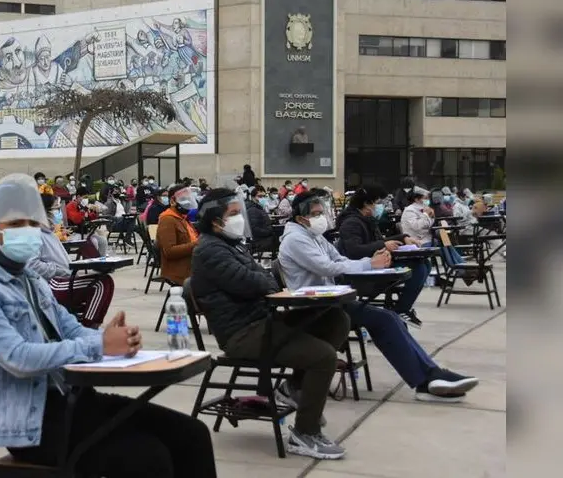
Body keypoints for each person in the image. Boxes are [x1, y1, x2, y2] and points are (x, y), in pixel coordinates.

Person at [0, 174, 217, 478]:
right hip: (28, 421)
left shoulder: (32, 280)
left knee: (191, 434)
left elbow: (69, 327)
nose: (28, 233)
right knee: (148, 458)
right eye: (16, 225)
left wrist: (109, 338)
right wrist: (99, 345)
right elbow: (18, 358)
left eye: (34, 225)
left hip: (72, 401)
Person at [191, 189, 349, 459]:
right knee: (323, 357)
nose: (239, 218)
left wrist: (262, 279)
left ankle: (294, 388)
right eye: (233, 214)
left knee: (335, 319)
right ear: (215, 221)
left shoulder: (231, 245)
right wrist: (262, 279)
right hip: (242, 334)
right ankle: (305, 433)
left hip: (262, 320)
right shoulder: (209, 250)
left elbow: (269, 280)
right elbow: (254, 282)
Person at [278, 191, 479, 403]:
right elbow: (328, 267)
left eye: (321, 212)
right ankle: (426, 379)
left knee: (389, 317)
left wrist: (370, 260)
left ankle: (429, 376)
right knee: (385, 319)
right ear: (301, 218)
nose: (321, 218)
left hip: (333, 299)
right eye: (316, 214)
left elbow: (340, 258)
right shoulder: (295, 240)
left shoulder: (314, 236)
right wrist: (369, 264)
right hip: (315, 307)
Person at [335, 184, 428, 328]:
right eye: (377, 203)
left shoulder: (367, 220)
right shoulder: (351, 223)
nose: (379, 206)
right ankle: (401, 310)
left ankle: (403, 309)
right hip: (361, 273)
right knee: (417, 267)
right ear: (366, 204)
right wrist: (384, 246)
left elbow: (379, 241)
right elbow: (354, 251)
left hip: (376, 264)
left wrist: (403, 238)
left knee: (423, 263)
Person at [31, 194, 115, 328]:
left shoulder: (48, 232)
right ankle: (88, 327)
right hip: (51, 283)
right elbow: (32, 266)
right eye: (55, 208)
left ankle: (89, 324)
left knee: (105, 279)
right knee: (101, 284)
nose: (58, 212)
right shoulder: (34, 233)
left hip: (63, 276)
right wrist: (62, 270)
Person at [155, 185, 198, 286]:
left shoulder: (183, 219)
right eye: (183, 199)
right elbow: (169, 251)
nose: (187, 202)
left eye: (188, 198)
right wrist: (197, 244)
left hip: (192, 266)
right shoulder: (168, 219)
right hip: (180, 272)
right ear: (173, 201)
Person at [245, 186, 276, 252]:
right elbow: (254, 229)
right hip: (259, 240)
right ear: (253, 197)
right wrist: (269, 231)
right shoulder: (252, 210)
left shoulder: (258, 207)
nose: (263, 199)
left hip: (264, 237)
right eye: (260, 196)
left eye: (264, 196)